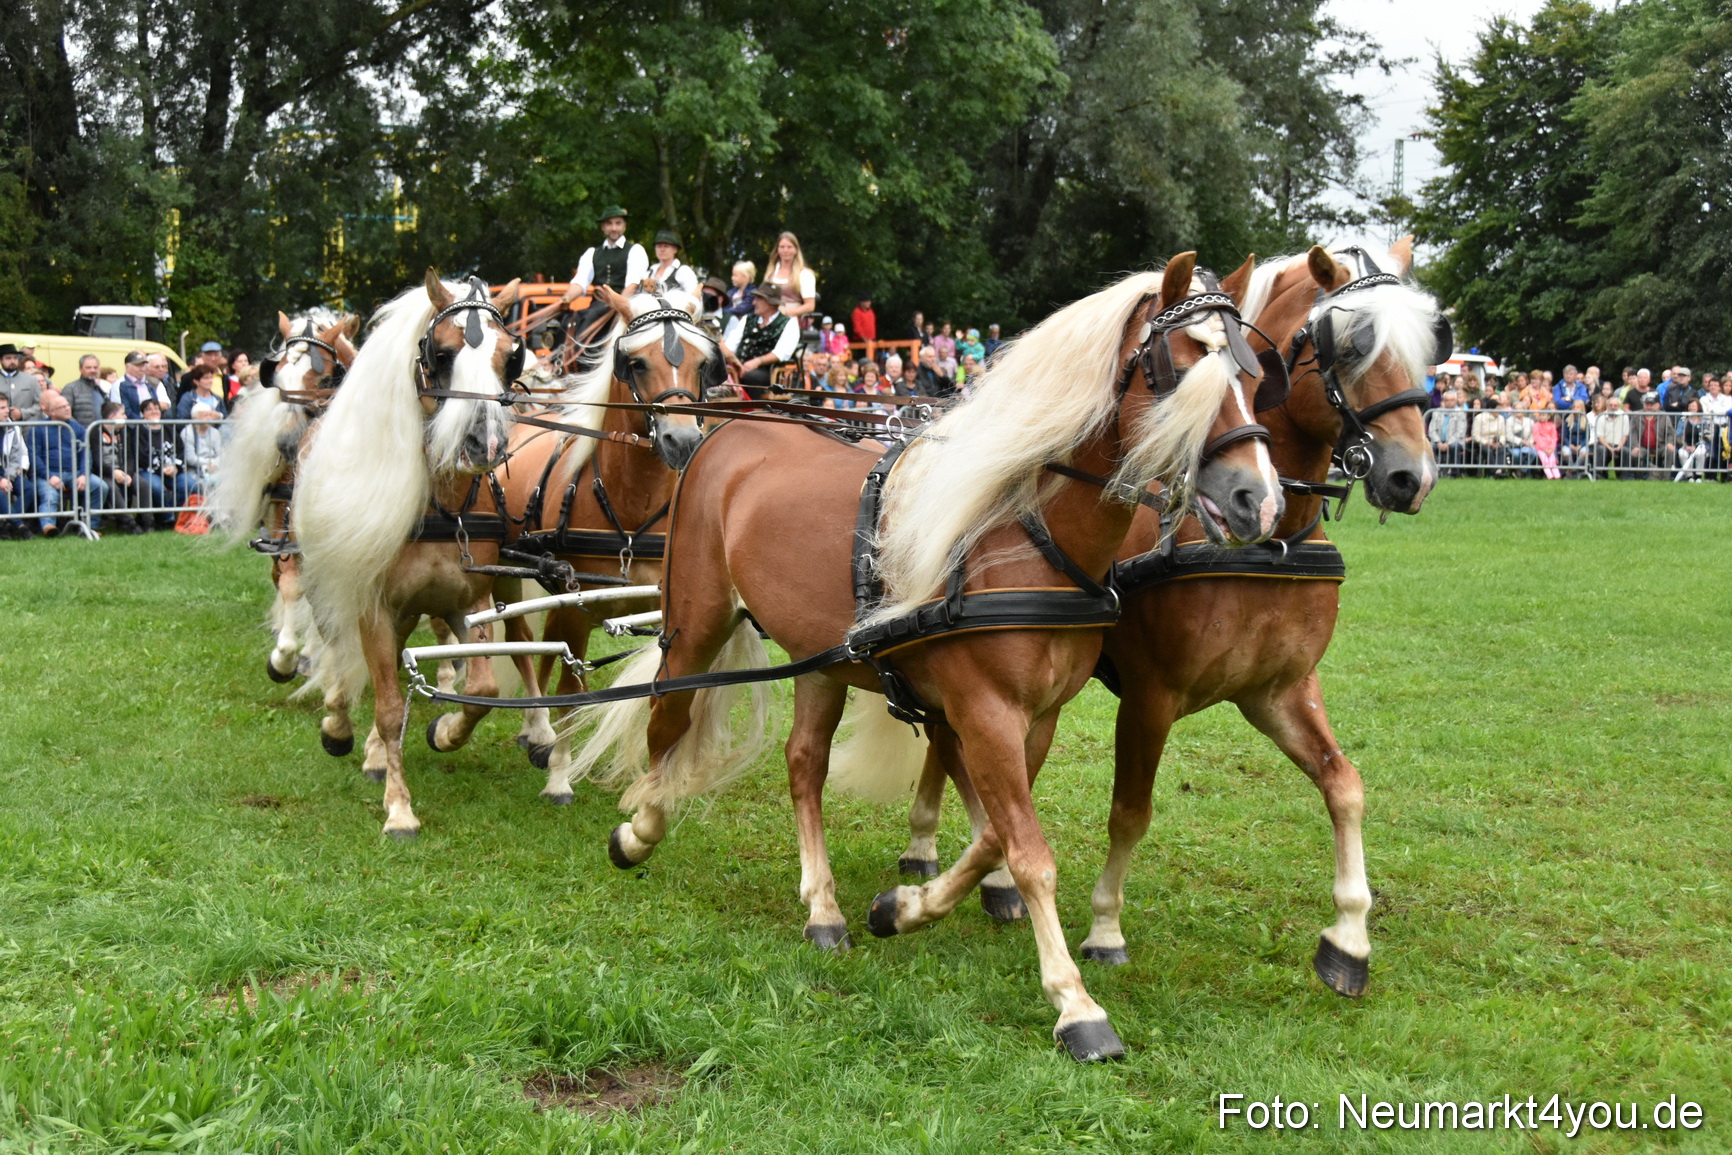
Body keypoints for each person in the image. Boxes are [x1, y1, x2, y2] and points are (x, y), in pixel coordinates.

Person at [559, 204, 649, 337]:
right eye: (609, 224)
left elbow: (632, 285)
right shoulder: (592, 253)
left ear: (624, 226)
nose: (614, 228)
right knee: (567, 323)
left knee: (591, 317)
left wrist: (618, 307)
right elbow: (579, 283)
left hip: (627, 307)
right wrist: (566, 299)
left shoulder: (635, 251)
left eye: (618, 223)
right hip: (598, 306)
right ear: (603, 227)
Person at [27, 391, 106, 534]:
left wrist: (83, 474)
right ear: (51, 412)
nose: (67, 408)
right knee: (50, 495)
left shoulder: (77, 428)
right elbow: (34, 456)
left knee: (100, 486)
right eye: (62, 407)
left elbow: (85, 454)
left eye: (67, 405)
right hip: (48, 474)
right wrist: (49, 476)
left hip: (74, 473)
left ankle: (90, 526)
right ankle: (48, 527)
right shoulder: (38, 428)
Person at [723, 283, 800, 399]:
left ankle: (753, 409)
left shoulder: (789, 323)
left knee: (752, 377)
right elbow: (730, 345)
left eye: (759, 299)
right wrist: (735, 364)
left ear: (771, 303)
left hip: (768, 371)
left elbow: (781, 353)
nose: (754, 302)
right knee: (718, 371)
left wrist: (757, 362)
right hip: (739, 366)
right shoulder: (747, 319)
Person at [129, 397, 191, 527]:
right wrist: (160, 469)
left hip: (172, 470)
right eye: (149, 409)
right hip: (148, 471)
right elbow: (140, 456)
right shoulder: (139, 431)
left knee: (190, 484)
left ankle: (175, 514)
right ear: (143, 413)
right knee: (158, 489)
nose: (154, 411)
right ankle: (166, 519)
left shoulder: (169, 428)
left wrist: (175, 467)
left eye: (156, 408)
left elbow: (180, 450)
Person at [87, 401, 141, 534]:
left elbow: (130, 457)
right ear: (112, 416)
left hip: (123, 471)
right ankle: (130, 523)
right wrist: (113, 472)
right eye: (122, 414)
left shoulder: (123, 432)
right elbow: (96, 460)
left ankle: (147, 521)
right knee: (112, 487)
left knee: (143, 484)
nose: (126, 417)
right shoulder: (95, 432)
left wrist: (127, 473)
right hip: (103, 472)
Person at [765, 232, 816, 321]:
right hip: (769, 318)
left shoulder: (804, 274)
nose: (785, 250)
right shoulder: (771, 272)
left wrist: (785, 314)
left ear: (796, 250)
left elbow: (810, 306)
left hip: (792, 319)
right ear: (777, 250)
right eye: (782, 247)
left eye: (789, 247)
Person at [1628, 392, 1676, 478]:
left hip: (1660, 446)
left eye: (1651, 404)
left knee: (1670, 451)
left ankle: (1666, 478)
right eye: (1647, 404)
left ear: (1656, 405)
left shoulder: (1664, 416)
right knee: (1636, 454)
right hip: (1641, 446)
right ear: (1643, 404)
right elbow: (1633, 433)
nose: (1649, 407)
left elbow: (1670, 432)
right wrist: (1635, 446)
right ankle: (1638, 478)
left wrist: (1669, 443)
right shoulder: (1636, 416)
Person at [0, 409, 30, 537]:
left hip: (8, 471)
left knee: (29, 489)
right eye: (1, 408)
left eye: (6, 407)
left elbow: (16, 456)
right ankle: (19, 525)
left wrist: (8, 477)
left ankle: (5, 523)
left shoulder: (12, 428)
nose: (6, 411)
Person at [180, 404, 224, 489]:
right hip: (195, 469)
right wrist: (207, 464)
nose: (209, 418)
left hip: (214, 467)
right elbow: (190, 458)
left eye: (210, 415)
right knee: (197, 485)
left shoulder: (215, 432)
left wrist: (215, 464)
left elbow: (220, 453)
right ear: (195, 418)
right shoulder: (187, 432)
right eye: (205, 415)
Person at [643, 229, 697, 295]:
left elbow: (693, 296)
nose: (662, 250)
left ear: (675, 249)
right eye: (659, 246)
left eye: (666, 246)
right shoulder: (649, 272)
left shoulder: (683, 271)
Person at [61, 355, 110, 427]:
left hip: (100, 432)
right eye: (88, 368)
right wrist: (79, 429)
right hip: (80, 432)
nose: (92, 370)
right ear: (80, 369)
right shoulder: (70, 388)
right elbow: (64, 413)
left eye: (95, 367)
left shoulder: (101, 389)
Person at [1427, 390, 1469, 470]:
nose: (1449, 402)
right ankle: (1432, 471)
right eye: (1447, 400)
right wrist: (1438, 442)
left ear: (1456, 401)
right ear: (1443, 401)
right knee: (1428, 446)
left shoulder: (1461, 413)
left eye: (1452, 400)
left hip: (1455, 441)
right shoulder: (1437, 412)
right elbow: (1432, 430)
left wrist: (1448, 443)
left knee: (1453, 446)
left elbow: (1460, 432)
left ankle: (1454, 472)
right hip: (1438, 441)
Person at [0, 344, 43, 421]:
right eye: (8, 358)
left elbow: (40, 404)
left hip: (26, 425)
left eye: (15, 358)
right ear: (1, 360)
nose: (12, 361)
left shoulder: (30, 380)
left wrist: (22, 413)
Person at [1592, 395, 1630, 479]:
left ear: (1619, 406)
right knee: (1601, 449)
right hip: (1605, 444)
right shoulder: (1601, 417)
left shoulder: (1624, 416)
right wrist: (1610, 448)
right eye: (1610, 405)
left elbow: (1625, 435)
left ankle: (1623, 475)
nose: (1613, 407)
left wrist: (1618, 447)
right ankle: (1600, 474)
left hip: (1619, 444)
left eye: (1615, 405)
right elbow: (1600, 437)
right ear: (1607, 406)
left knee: (1625, 451)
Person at [1470, 397, 1506, 476]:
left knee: (1502, 449)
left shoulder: (1501, 418)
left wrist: (1500, 442)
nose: (1499, 411)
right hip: (1482, 442)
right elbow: (1475, 435)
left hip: (1496, 441)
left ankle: (1500, 470)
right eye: (1497, 409)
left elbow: (1503, 434)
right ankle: (1493, 471)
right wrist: (1487, 442)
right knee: (1487, 450)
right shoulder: (1479, 418)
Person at [1673, 400, 1707, 481]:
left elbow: (1707, 435)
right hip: (1686, 446)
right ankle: (1689, 476)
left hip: (1699, 446)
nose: (1691, 408)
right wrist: (1685, 446)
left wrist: (1696, 446)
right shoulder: (1683, 420)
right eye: (1689, 406)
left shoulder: (1703, 421)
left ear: (1698, 408)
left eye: (1693, 406)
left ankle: (1698, 476)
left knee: (1700, 453)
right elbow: (1678, 435)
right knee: (1682, 453)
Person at [1559, 399, 1592, 475]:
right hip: (1569, 444)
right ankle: (1573, 469)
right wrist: (1569, 445)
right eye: (1574, 407)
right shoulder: (1567, 420)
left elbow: (1587, 436)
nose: (1575, 409)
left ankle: (1572, 469)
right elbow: (1564, 435)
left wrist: (1581, 445)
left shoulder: (1586, 421)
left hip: (1581, 445)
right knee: (1566, 452)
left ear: (1582, 408)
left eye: (1578, 407)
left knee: (1584, 452)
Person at [1503, 406, 1537, 473]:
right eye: (1516, 409)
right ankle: (1515, 470)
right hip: (1513, 445)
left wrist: (1529, 442)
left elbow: (1532, 434)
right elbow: (1509, 436)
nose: (1518, 411)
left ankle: (1522, 471)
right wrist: (1521, 441)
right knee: (1517, 454)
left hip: (1527, 444)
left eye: (1520, 409)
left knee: (1533, 453)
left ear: (1524, 411)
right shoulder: (1509, 420)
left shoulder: (1530, 421)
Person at [1532, 409, 1560, 479]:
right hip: (1540, 448)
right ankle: (1549, 476)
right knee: (1545, 461)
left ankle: (1557, 476)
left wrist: (1552, 448)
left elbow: (1554, 437)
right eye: (1540, 415)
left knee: (1552, 461)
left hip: (1550, 448)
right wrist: (1544, 448)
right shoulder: (1536, 425)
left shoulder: (1552, 425)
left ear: (1548, 416)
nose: (1541, 417)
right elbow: (1537, 437)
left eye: (1543, 415)